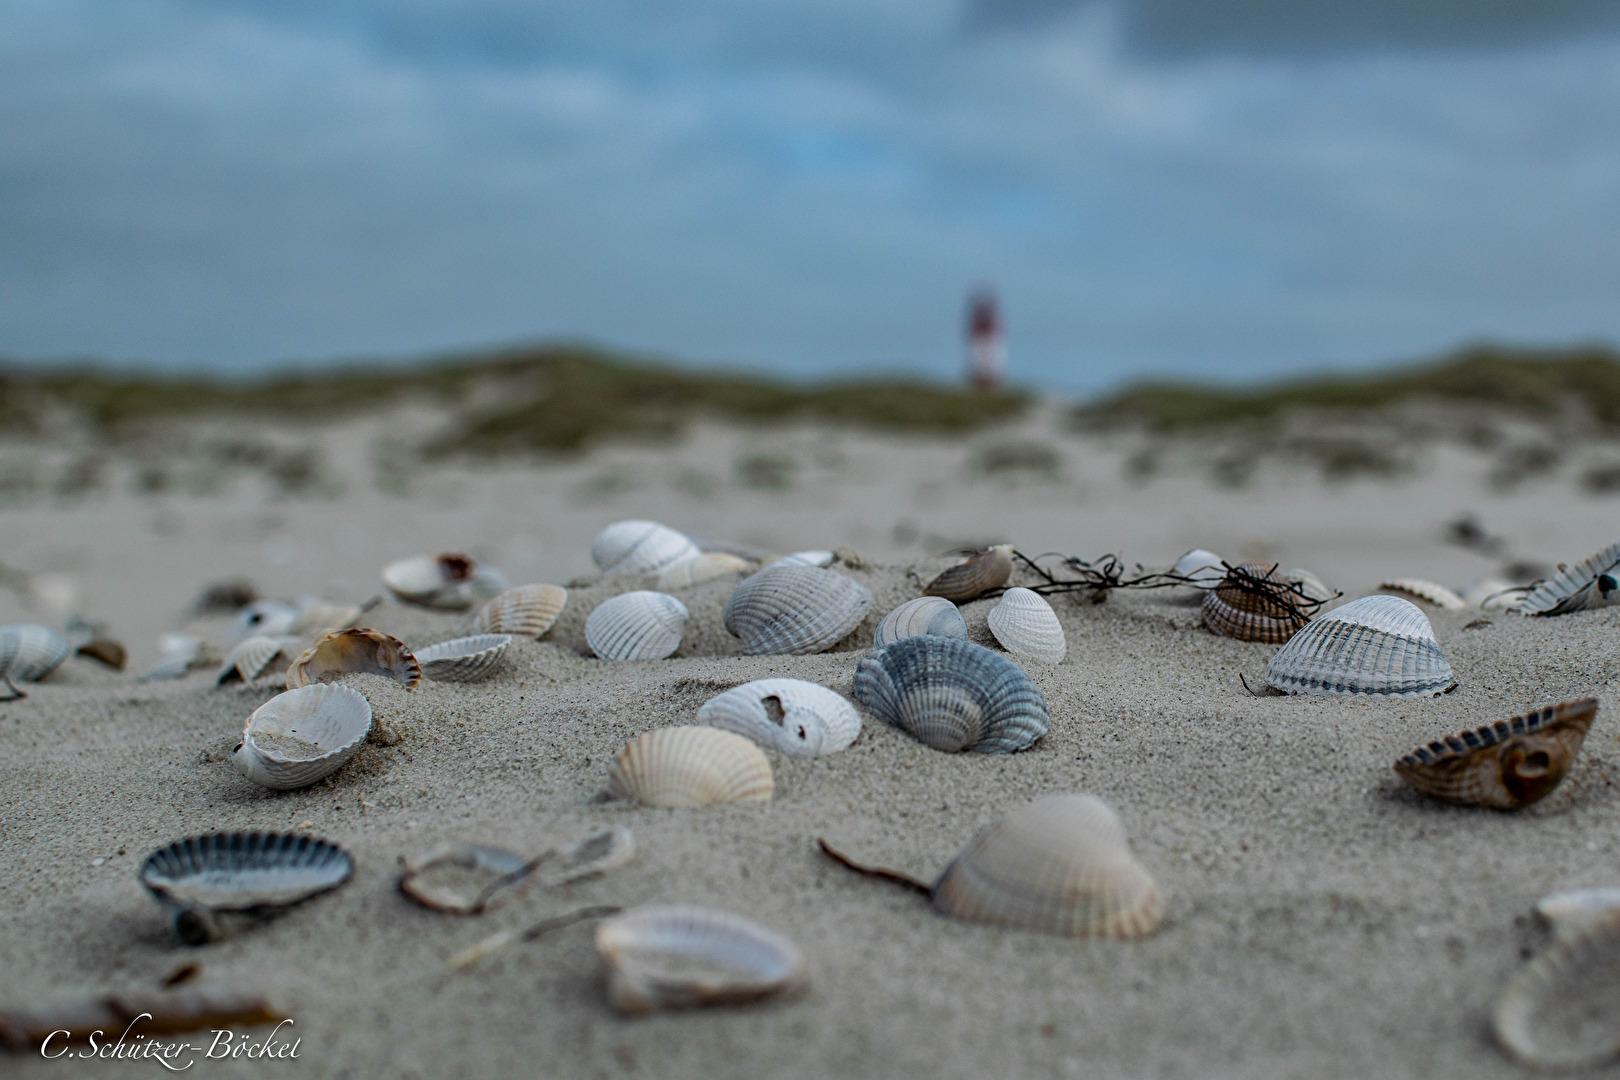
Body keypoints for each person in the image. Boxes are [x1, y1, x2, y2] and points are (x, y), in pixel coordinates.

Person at [965, 287, 1004, 391]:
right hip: (982, 338)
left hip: (988, 338)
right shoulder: (983, 321)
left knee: (986, 362)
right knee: (981, 362)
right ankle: (982, 383)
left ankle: (987, 384)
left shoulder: (987, 322)